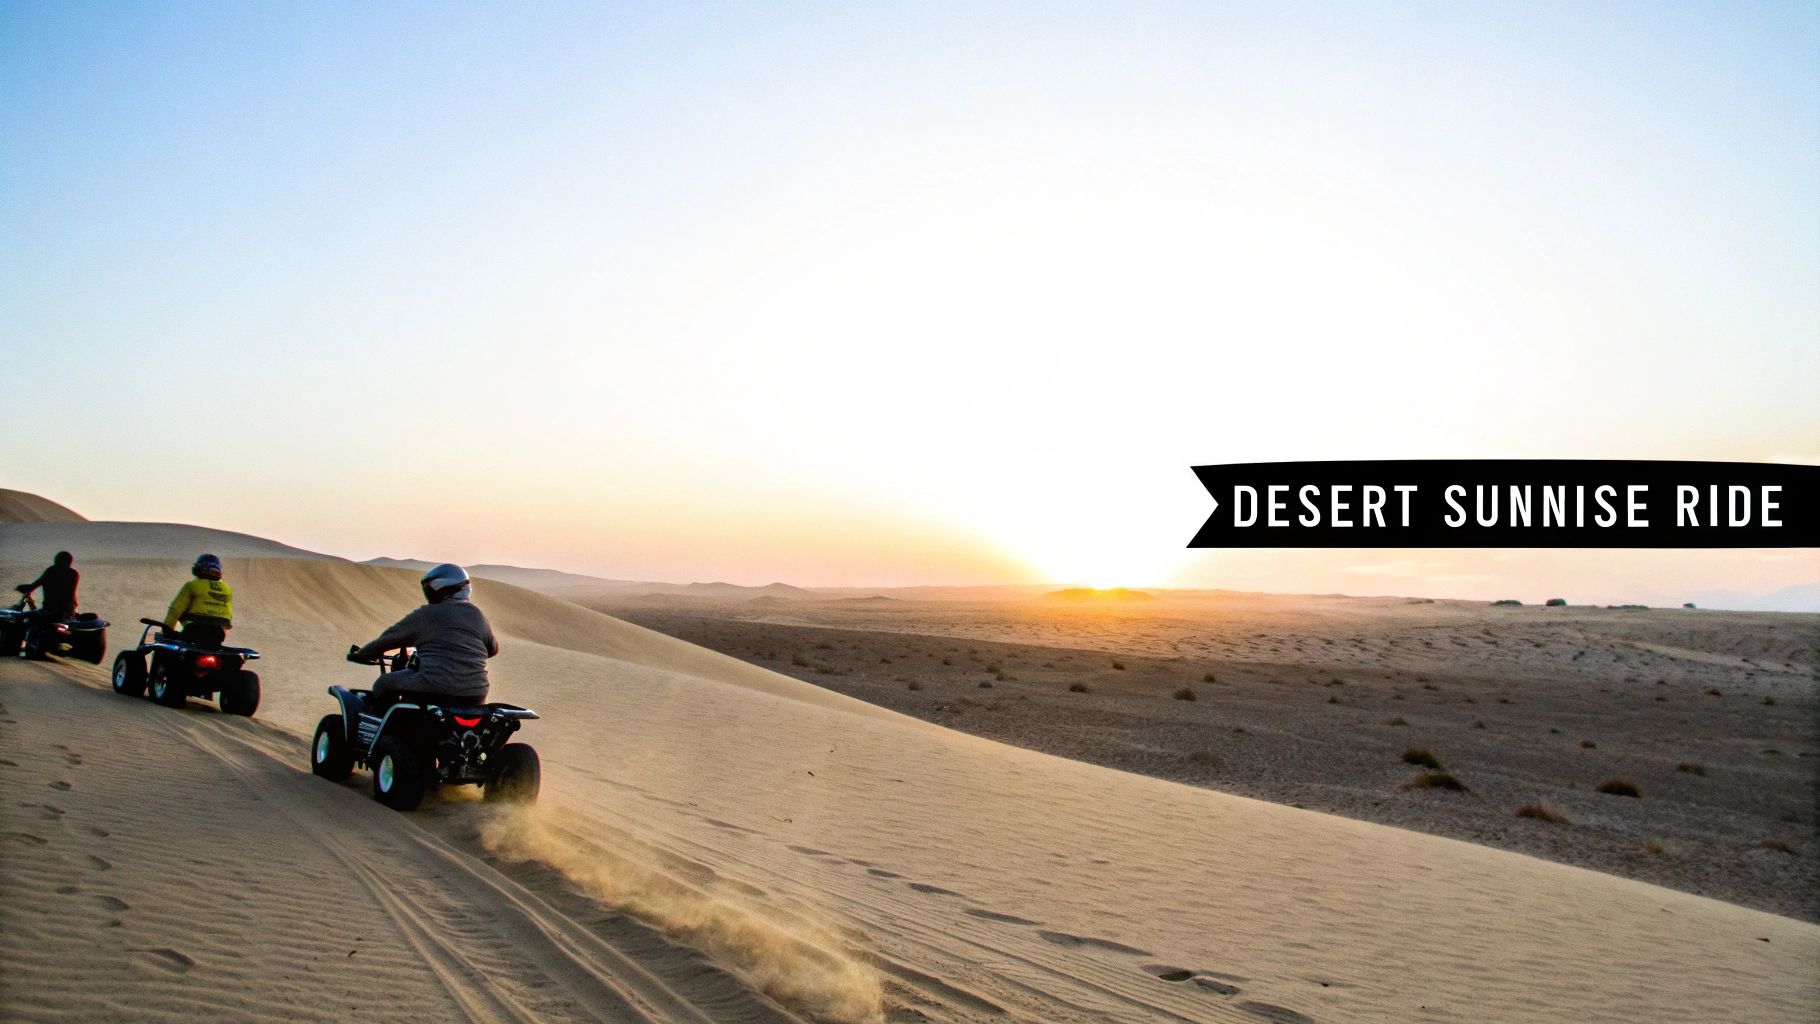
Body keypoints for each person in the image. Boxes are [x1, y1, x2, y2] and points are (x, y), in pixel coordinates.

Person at [349, 563, 498, 705]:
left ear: (440, 589)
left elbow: (388, 639)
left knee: (383, 683)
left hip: (435, 688)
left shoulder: (427, 614)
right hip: (476, 695)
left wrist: (362, 653)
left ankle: (387, 729)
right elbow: (492, 649)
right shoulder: (478, 615)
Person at [16, 551, 79, 658]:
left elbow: (32, 586)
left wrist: (20, 588)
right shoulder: (74, 574)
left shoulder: (51, 571)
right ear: (70, 562)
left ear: (56, 561)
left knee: (19, 617)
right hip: (69, 613)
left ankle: (18, 646)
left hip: (48, 612)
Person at [164, 553, 234, 648]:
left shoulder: (192, 585)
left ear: (197, 569)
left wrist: (167, 632)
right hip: (217, 635)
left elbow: (175, 610)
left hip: (192, 632)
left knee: (164, 651)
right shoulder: (227, 589)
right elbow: (228, 616)